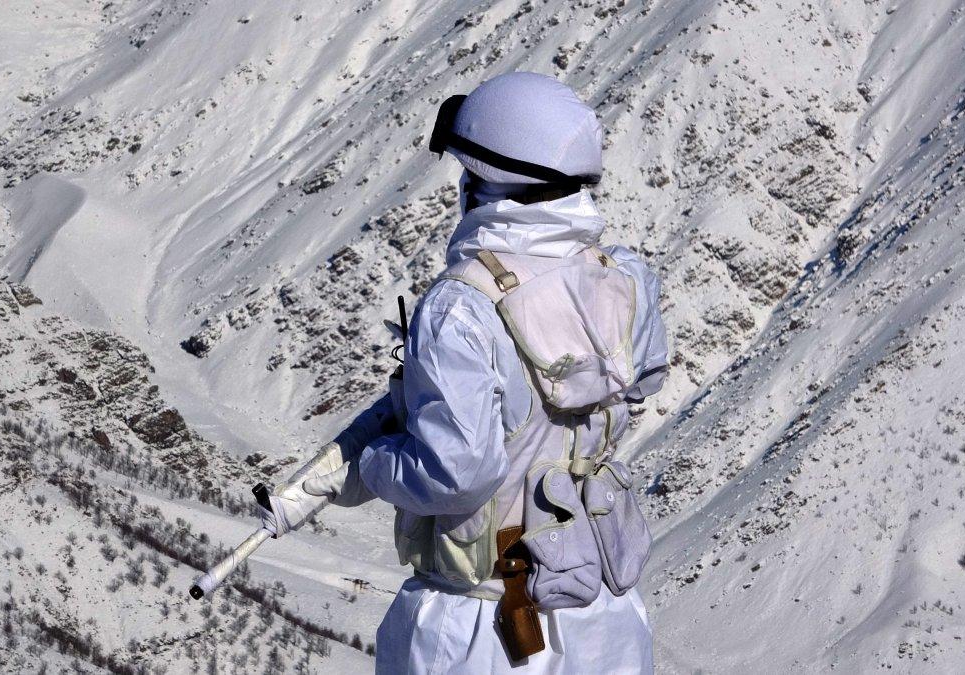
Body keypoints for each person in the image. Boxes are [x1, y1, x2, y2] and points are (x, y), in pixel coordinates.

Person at [260, 72, 668, 673]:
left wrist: (372, 461)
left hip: (482, 622)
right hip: (602, 613)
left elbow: (456, 475)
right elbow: (639, 386)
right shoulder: (627, 276)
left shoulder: (460, 305)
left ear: (486, 179)